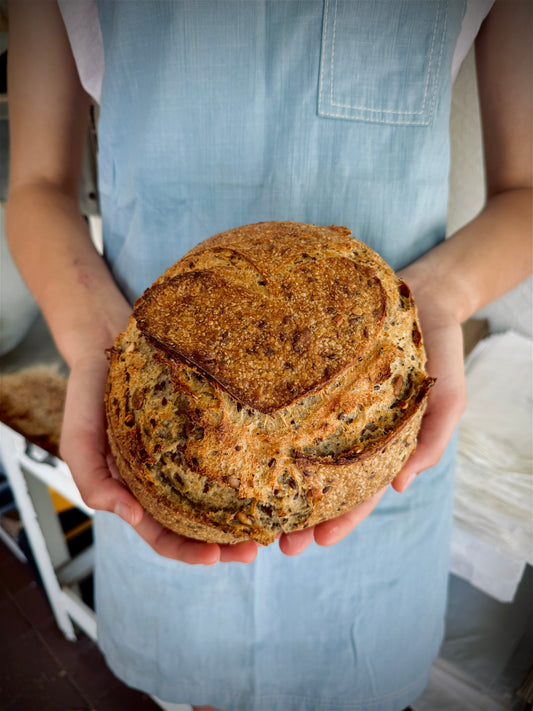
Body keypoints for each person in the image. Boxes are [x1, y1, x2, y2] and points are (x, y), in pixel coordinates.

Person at [6, 1, 532, 710]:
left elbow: (523, 193)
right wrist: (92, 337)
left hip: (377, 439)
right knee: (201, 690)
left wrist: (436, 296)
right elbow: (37, 188)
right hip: (157, 445)